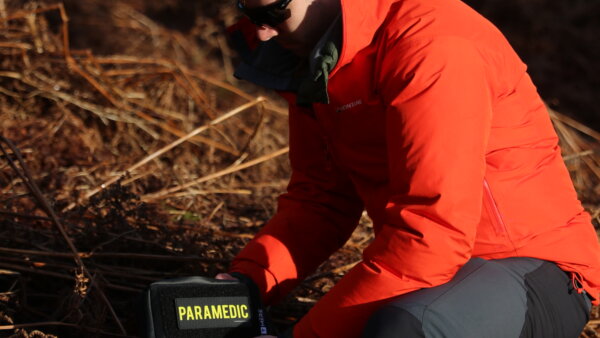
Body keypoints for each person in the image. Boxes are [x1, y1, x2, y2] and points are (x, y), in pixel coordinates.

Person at [217, 0, 600, 337]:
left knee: (406, 329)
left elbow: (435, 230)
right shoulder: (319, 60)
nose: (263, 33)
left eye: (274, 12)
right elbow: (321, 201)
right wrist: (246, 284)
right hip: (432, 273)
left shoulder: (433, 44)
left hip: (532, 271)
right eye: (249, 12)